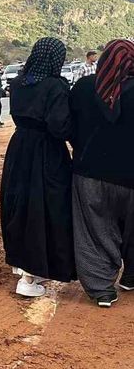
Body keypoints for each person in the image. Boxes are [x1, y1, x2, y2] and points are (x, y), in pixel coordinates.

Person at [0, 37, 76, 297]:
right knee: (47, 207)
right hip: (46, 152)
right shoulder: (55, 86)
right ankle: (30, 275)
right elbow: (59, 126)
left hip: (19, 148)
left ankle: (24, 265)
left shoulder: (18, 83)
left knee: (20, 205)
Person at [70, 39, 134, 308]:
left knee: (94, 230)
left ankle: (101, 289)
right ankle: (131, 276)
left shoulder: (84, 87)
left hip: (90, 174)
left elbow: (68, 126)